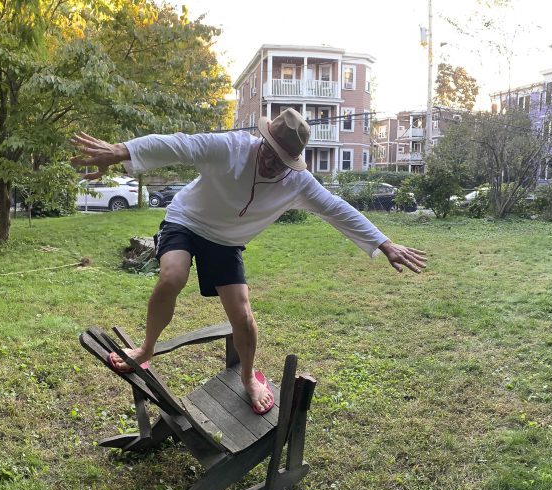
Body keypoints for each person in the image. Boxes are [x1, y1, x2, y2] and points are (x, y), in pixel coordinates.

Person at [70, 109, 427, 414]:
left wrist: (384, 243)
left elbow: (336, 208)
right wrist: (121, 151)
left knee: (243, 316)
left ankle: (248, 378)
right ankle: (146, 349)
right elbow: (179, 144)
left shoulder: (299, 182)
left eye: (282, 161)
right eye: (269, 153)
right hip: (187, 220)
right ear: (262, 141)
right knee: (172, 277)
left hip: (226, 242)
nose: (272, 164)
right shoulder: (230, 148)